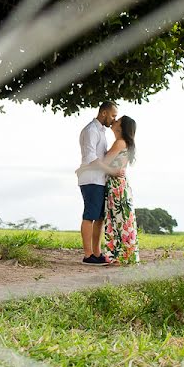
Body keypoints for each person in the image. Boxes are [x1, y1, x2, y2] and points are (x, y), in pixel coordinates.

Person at [75, 102, 124, 265]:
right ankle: (88, 255)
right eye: (113, 115)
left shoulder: (101, 132)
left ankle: (97, 253)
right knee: (90, 216)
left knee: (100, 217)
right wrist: (112, 171)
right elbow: (91, 159)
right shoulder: (91, 130)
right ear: (103, 113)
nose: (114, 119)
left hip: (99, 180)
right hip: (91, 180)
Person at [98, 116, 140, 264]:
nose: (114, 121)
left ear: (121, 127)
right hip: (120, 183)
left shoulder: (120, 142)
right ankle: (124, 255)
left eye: (118, 120)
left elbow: (104, 162)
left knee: (118, 219)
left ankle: (121, 256)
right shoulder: (124, 143)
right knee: (121, 218)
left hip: (116, 184)